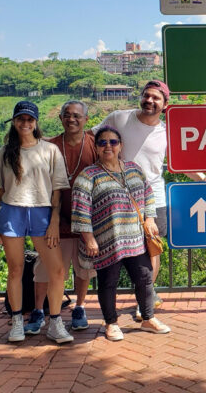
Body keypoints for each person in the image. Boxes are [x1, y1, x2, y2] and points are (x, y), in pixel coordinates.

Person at [93, 80, 206, 319]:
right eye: (147, 95)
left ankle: (143, 300)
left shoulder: (166, 132)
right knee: (116, 251)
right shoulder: (119, 118)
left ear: (165, 104)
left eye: (156, 98)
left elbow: (181, 164)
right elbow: (90, 141)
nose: (150, 101)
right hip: (117, 198)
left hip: (153, 198)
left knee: (151, 250)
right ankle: (113, 308)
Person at [71, 126, 171, 341]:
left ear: (121, 146)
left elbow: (148, 194)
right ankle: (111, 323)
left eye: (113, 142)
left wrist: (150, 218)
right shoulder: (88, 175)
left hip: (135, 239)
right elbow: (80, 210)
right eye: (103, 142)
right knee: (109, 282)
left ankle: (147, 318)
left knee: (144, 278)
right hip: (108, 240)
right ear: (96, 148)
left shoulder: (133, 169)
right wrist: (89, 238)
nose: (108, 146)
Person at [0, 101, 73, 343]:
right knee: (15, 269)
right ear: (14, 121)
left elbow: (58, 190)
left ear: (36, 123)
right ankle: (16, 322)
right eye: (20, 119)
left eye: (29, 119)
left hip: (41, 213)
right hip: (11, 212)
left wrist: (54, 221)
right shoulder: (4, 153)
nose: (25, 123)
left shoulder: (49, 150)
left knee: (57, 270)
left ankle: (55, 323)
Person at [25, 100, 97, 335]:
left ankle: (80, 306)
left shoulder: (95, 144)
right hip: (54, 220)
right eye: (67, 115)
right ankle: (38, 310)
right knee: (45, 268)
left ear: (86, 119)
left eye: (77, 115)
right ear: (61, 119)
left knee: (84, 268)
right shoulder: (50, 146)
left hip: (87, 220)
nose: (72, 119)